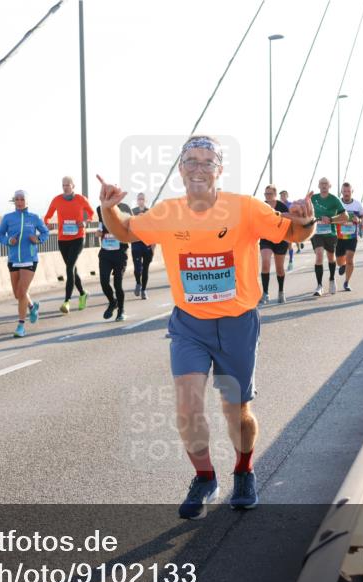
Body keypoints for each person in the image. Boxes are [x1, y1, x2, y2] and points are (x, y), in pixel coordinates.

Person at [96, 135, 316, 520]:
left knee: (236, 412)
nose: (198, 168)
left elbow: (295, 233)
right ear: (180, 169)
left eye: (207, 162)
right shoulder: (167, 213)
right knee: (187, 407)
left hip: (237, 324)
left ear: (220, 169)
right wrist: (107, 209)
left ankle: (244, 470)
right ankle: (204, 477)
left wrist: (307, 219)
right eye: (191, 161)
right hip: (190, 325)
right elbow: (126, 231)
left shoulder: (245, 209)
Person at [0, 190, 49, 337]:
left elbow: (45, 233)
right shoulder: (8, 218)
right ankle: (32, 307)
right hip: (13, 259)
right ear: (14, 201)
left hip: (29, 259)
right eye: (17, 199)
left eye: (22, 199)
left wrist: (38, 240)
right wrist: (8, 241)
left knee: (22, 291)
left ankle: (21, 325)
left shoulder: (34, 217)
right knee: (18, 294)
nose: (19, 202)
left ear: (27, 201)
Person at [44, 176, 94, 313]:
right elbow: (47, 216)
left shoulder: (80, 199)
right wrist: (47, 224)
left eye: (67, 185)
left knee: (70, 267)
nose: (65, 187)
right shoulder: (57, 200)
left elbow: (91, 213)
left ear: (73, 186)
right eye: (63, 185)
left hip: (78, 237)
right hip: (63, 240)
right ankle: (83, 293)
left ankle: (66, 302)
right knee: (72, 269)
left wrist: (85, 222)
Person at [310, 177, 348, 296]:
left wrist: (331, 219)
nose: (324, 185)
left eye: (326, 183)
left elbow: (345, 216)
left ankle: (332, 279)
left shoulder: (334, 199)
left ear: (329, 186)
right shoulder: (313, 198)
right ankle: (319, 286)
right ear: (318, 186)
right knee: (319, 255)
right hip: (316, 233)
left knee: (331, 258)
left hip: (330, 233)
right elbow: (305, 210)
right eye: (321, 183)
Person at [97, 203, 131, 321]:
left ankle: (121, 310)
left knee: (117, 284)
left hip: (120, 253)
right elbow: (101, 225)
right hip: (105, 253)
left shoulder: (124, 209)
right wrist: (99, 232)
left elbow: (130, 227)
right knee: (104, 282)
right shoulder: (100, 209)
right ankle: (112, 302)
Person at [259, 184, 291, 304]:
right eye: (266, 194)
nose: (267, 196)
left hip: (280, 239)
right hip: (266, 239)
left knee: (279, 268)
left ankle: (281, 292)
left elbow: (289, 221)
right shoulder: (262, 206)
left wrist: (289, 241)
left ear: (275, 195)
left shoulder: (282, 206)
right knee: (265, 263)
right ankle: (265, 294)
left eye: (270, 194)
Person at [336, 182, 363, 292]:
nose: (346, 193)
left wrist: (359, 220)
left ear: (352, 192)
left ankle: (346, 282)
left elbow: (362, 217)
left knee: (350, 260)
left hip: (352, 237)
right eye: (344, 191)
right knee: (339, 261)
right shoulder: (337, 203)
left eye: (348, 191)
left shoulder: (357, 204)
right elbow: (332, 217)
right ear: (341, 192)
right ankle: (342, 265)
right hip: (339, 237)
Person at [131, 192, 155, 299]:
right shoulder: (133, 212)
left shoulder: (150, 212)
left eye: (142, 199)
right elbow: (129, 226)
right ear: (137, 200)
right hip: (136, 244)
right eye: (139, 199)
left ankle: (144, 290)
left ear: (145, 201)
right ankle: (138, 283)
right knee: (137, 269)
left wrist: (153, 248)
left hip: (147, 245)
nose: (140, 201)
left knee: (145, 269)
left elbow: (155, 230)